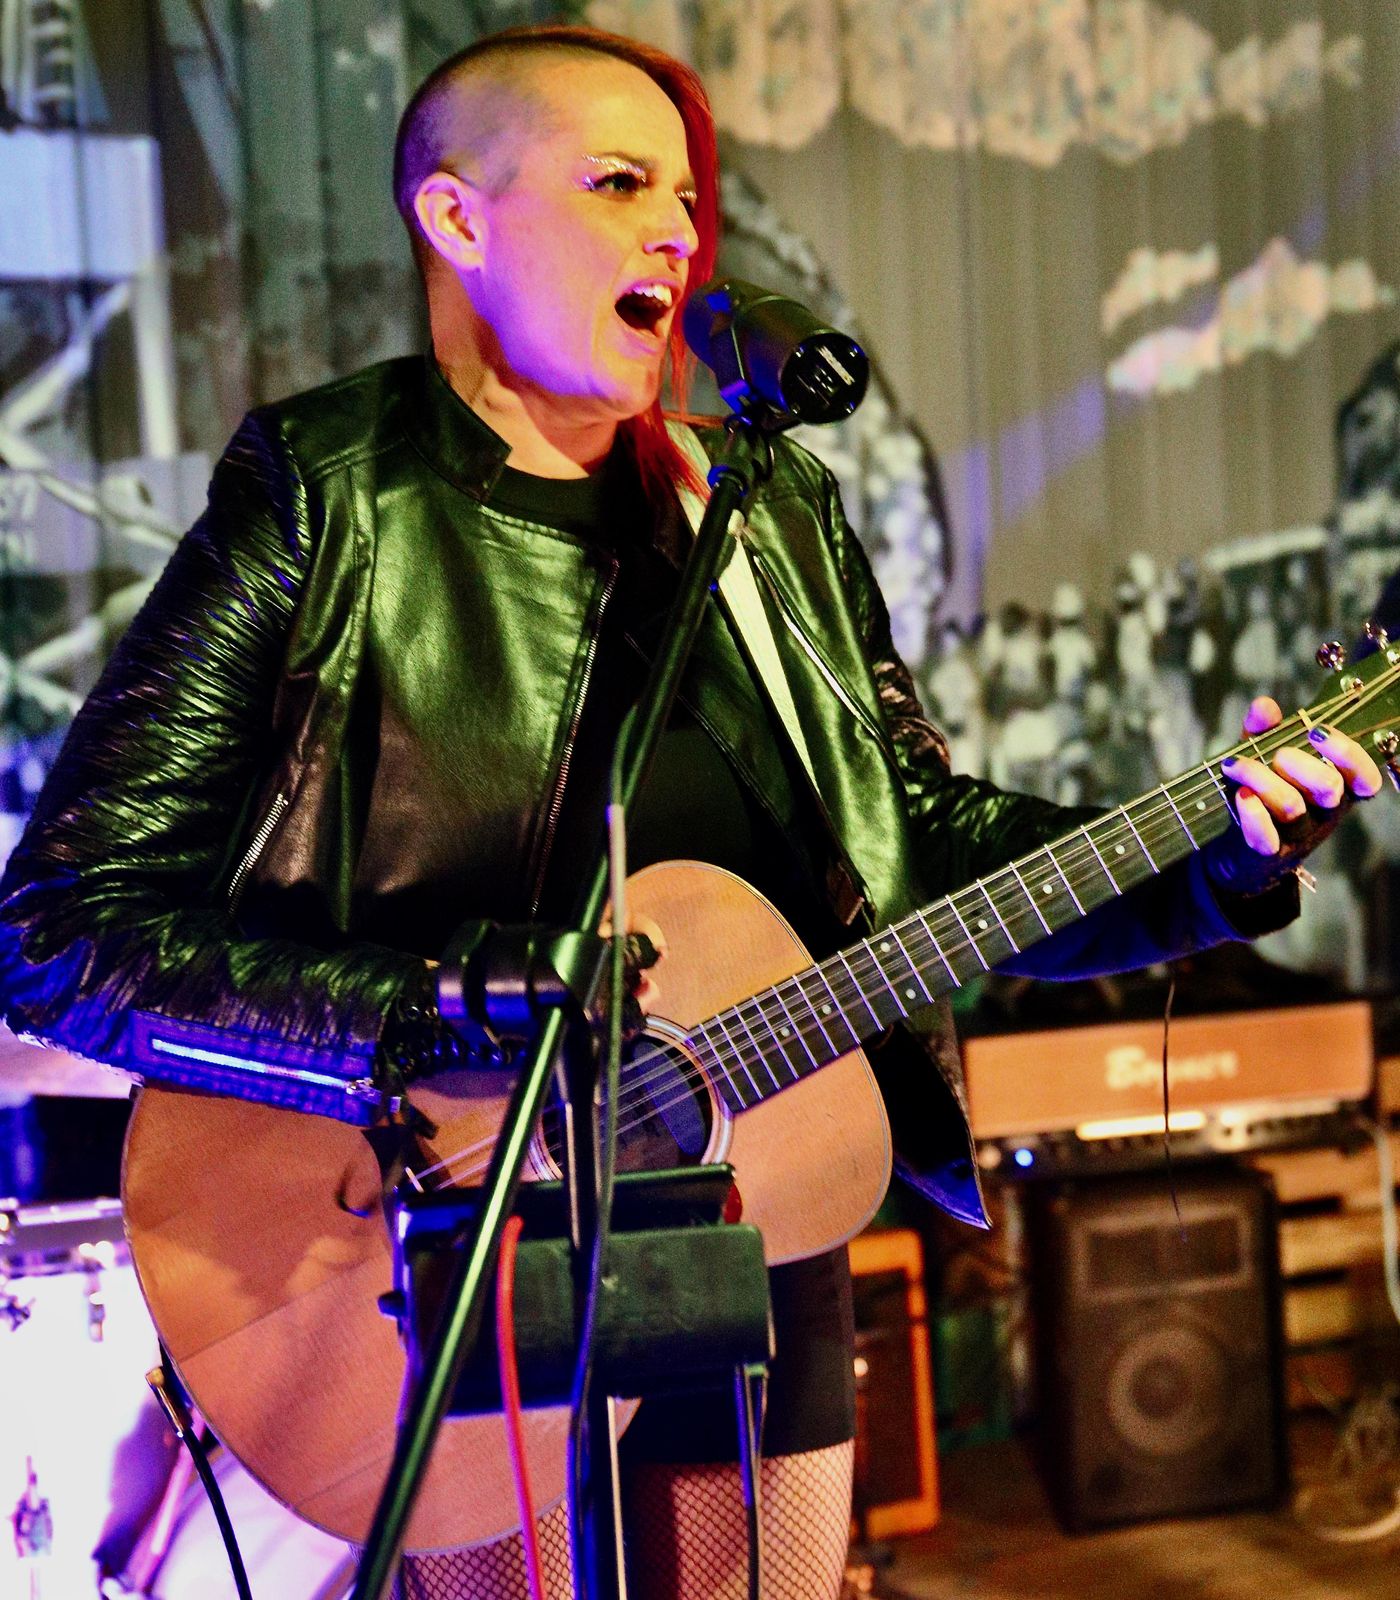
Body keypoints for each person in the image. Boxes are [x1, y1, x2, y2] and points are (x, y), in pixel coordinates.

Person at [0, 23, 1383, 1600]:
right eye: (615, 183)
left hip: (743, 1211)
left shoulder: (765, 510)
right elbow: (59, 935)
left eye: (682, 193)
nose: (675, 228)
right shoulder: (332, 494)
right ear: (457, 218)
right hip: (437, 1231)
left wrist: (1218, 855)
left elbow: (913, 849)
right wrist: (444, 1016)